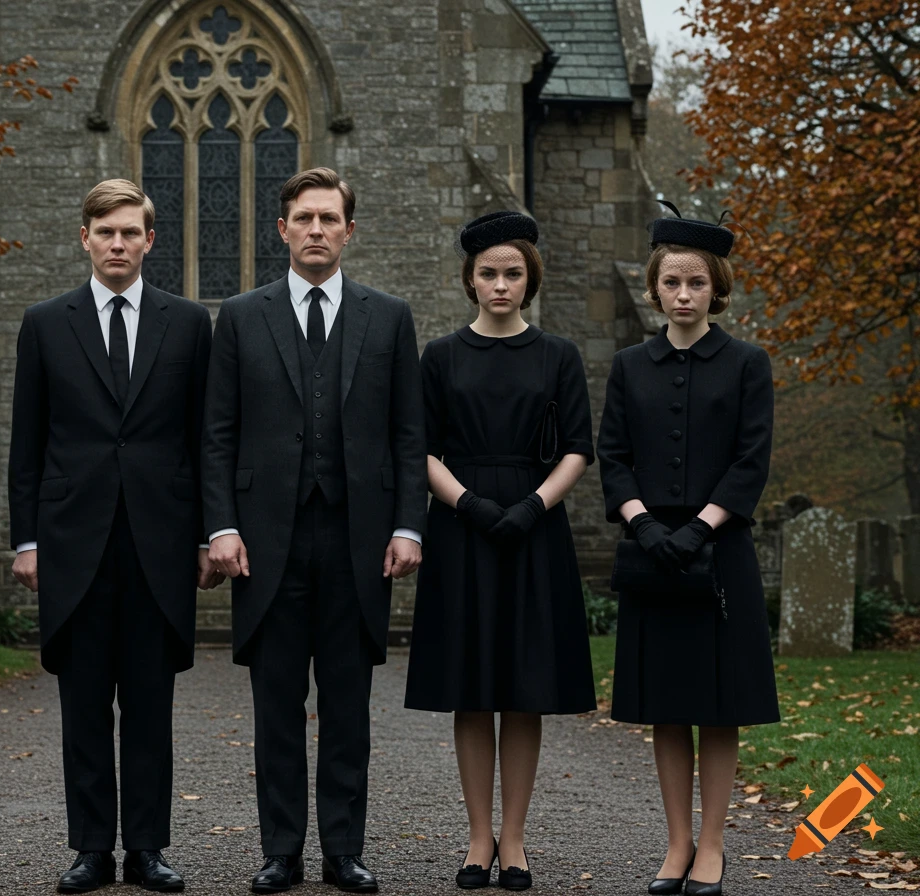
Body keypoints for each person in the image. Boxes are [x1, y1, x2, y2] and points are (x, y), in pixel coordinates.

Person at [201, 167, 428, 894]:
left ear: (349, 230)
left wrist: (408, 526)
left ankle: (343, 851)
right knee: (275, 705)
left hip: (360, 538)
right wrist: (222, 527)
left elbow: (406, 433)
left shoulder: (387, 317)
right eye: (304, 218)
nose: (316, 231)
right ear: (283, 229)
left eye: (329, 219)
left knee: (348, 705)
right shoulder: (239, 315)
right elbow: (217, 432)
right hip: (265, 541)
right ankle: (281, 852)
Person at [7, 179, 217, 894]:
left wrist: (205, 535)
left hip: (160, 541)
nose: (118, 243)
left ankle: (148, 849)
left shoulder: (188, 324)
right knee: (86, 703)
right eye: (106, 232)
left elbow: (201, 440)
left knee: (151, 706)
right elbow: (28, 444)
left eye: (131, 232)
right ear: (85, 239)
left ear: (150, 240)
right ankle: (93, 848)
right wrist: (26, 540)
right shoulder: (45, 322)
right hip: (74, 542)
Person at [404, 212, 596, 891]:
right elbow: (420, 448)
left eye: (512, 273)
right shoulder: (441, 356)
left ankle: (514, 839)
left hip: (534, 525)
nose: (500, 284)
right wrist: (470, 505)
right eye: (488, 273)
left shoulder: (558, 356)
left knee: (523, 690)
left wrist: (534, 505)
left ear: (529, 279)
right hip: (463, 524)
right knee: (471, 688)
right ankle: (477, 838)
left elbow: (579, 446)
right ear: (470, 280)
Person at [597, 205, 779, 896]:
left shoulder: (746, 364)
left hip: (720, 550)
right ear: (654, 288)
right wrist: (645, 526)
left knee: (717, 706)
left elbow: (750, 460)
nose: (682, 294)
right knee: (667, 707)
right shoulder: (629, 366)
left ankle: (711, 847)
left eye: (695, 283)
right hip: (651, 554)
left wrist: (699, 529)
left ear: (716, 289)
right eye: (672, 282)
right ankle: (675, 846)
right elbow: (612, 455)